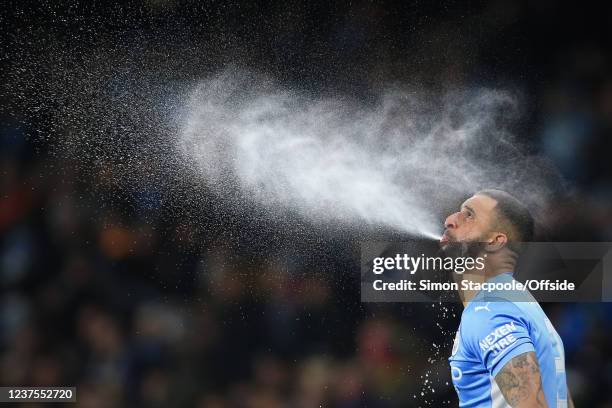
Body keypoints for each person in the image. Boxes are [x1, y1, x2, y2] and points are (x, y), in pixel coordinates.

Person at [441, 189, 574, 407]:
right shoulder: (517, 301)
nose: (450, 220)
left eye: (469, 215)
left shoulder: (490, 310)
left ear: (495, 241)